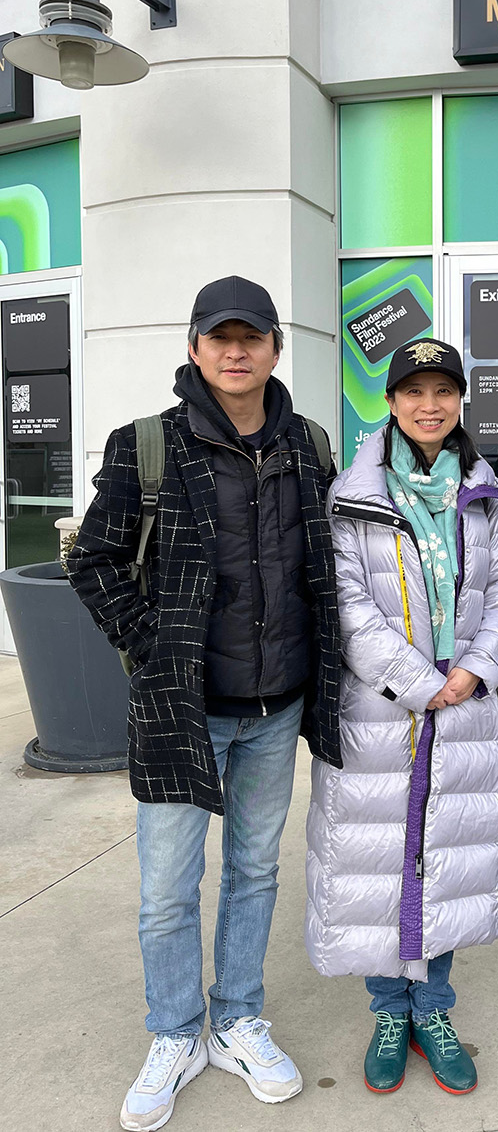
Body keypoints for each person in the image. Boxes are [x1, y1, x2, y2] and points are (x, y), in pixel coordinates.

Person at [67, 276, 341, 1131]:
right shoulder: (145, 444)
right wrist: (154, 650)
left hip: (279, 704)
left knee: (255, 871)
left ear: (273, 348)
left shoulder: (311, 444)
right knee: (167, 889)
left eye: (250, 337)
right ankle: (177, 1029)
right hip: (182, 708)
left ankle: (236, 1017)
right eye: (218, 337)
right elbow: (95, 559)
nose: (235, 350)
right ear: (194, 349)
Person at [305, 338, 498, 1097]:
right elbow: (348, 604)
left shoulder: (482, 490)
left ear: (459, 400)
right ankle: (389, 1009)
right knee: (377, 863)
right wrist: (418, 681)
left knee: (446, 861)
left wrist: (476, 669)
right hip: (381, 712)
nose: (430, 405)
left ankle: (434, 1009)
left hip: (463, 708)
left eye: (444, 390)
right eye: (414, 390)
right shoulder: (353, 494)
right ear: (390, 402)